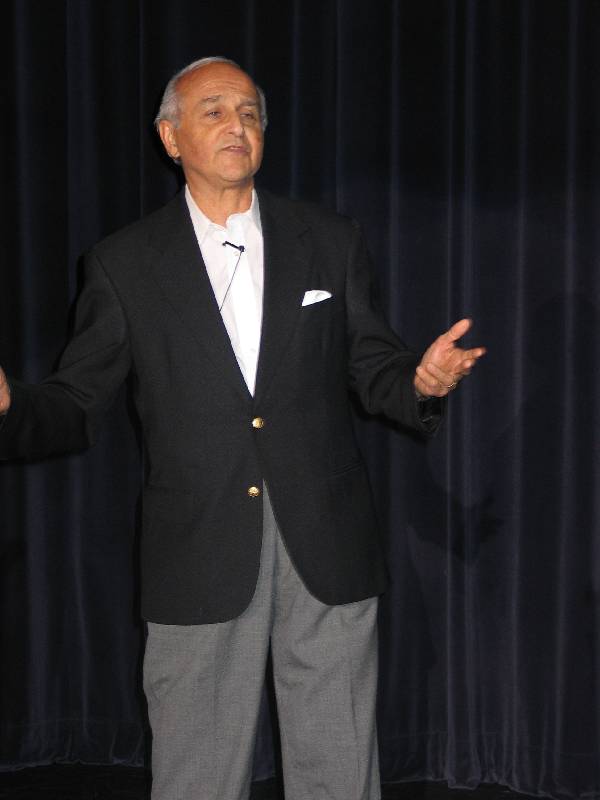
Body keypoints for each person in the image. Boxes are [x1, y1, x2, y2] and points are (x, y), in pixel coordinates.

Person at [0, 57, 485, 800]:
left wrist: (419, 384)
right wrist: (12, 406)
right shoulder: (123, 264)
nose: (237, 125)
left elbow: (374, 364)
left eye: (250, 113)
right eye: (214, 111)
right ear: (170, 137)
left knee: (339, 766)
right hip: (197, 548)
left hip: (326, 540)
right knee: (197, 773)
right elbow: (74, 402)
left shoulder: (329, 240)